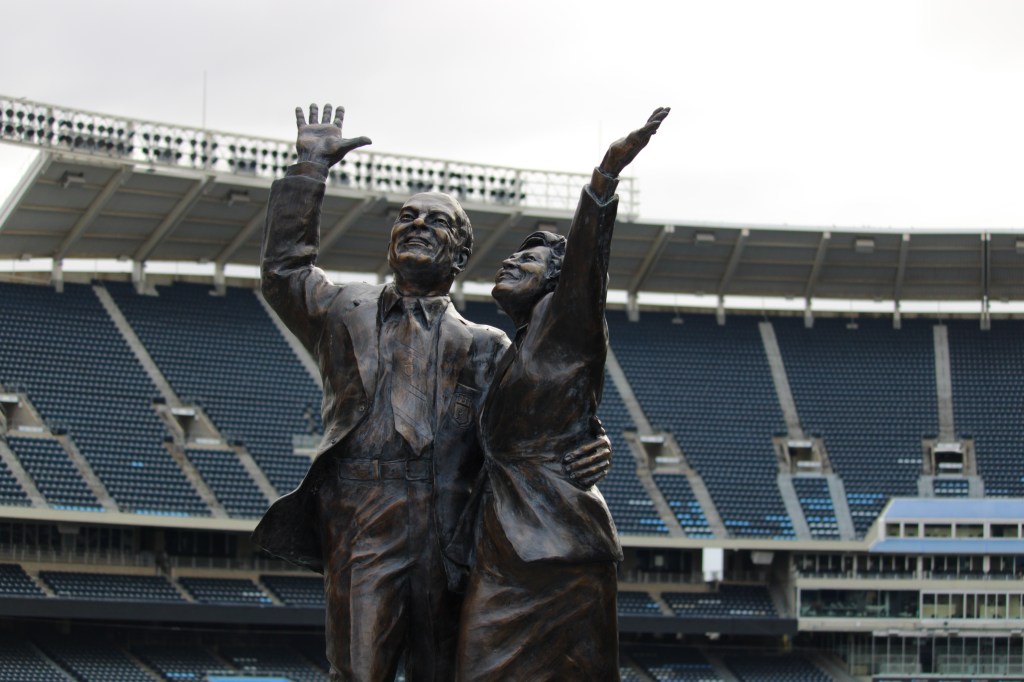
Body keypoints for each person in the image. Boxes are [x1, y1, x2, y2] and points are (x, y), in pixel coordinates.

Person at [252, 103, 610, 682]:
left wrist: (599, 441)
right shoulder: (346, 310)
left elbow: (542, 412)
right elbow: (285, 271)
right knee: (359, 672)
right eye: (407, 216)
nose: (417, 224)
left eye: (436, 222)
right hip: (364, 518)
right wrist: (309, 171)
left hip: (455, 532)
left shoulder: (489, 344)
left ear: (461, 255)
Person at [454, 107, 670, 681]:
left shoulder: (566, 320)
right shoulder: (512, 350)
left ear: (556, 280)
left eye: (526, 258)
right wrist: (591, 433)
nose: (509, 260)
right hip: (511, 544)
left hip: (554, 550)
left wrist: (603, 180)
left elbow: (585, 268)